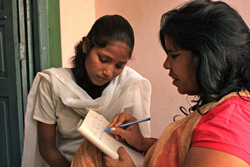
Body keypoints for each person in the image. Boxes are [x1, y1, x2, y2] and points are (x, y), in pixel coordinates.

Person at [100, 0, 250, 166]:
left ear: (207, 56)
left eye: (174, 55)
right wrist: (143, 144)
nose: (166, 64)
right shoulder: (223, 109)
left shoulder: (228, 122)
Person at [21, 14, 151, 167]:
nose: (109, 72)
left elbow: (135, 149)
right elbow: (47, 148)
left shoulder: (129, 84)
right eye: (103, 59)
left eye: (119, 66)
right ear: (86, 46)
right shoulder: (53, 84)